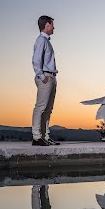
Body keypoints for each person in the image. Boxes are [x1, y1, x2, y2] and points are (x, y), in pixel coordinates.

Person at [31, 15, 60, 146]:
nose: (54, 27)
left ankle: (45, 136)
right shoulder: (41, 40)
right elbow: (36, 60)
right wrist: (42, 77)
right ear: (47, 25)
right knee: (41, 107)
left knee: (48, 109)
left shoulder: (46, 41)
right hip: (46, 77)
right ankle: (37, 137)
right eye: (52, 24)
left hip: (51, 77)